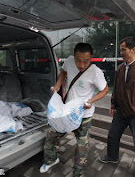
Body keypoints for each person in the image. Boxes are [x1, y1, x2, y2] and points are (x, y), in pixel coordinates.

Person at [40, 43, 109, 177]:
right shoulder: (69, 61)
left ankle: (78, 173)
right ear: (73, 56)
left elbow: (105, 89)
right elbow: (64, 72)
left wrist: (91, 101)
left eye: (86, 61)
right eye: (78, 60)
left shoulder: (95, 72)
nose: (81, 65)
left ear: (91, 58)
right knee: (51, 136)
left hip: (84, 115)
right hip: (66, 112)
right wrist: (58, 85)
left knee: (82, 147)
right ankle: (51, 160)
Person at [99, 37, 135, 177]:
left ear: (133, 49)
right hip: (121, 112)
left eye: (123, 50)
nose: (121, 53)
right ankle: (112, 156)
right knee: (113, 135)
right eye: (120, 50)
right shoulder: (120, 68)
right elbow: (117, 89)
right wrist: (113, 104)